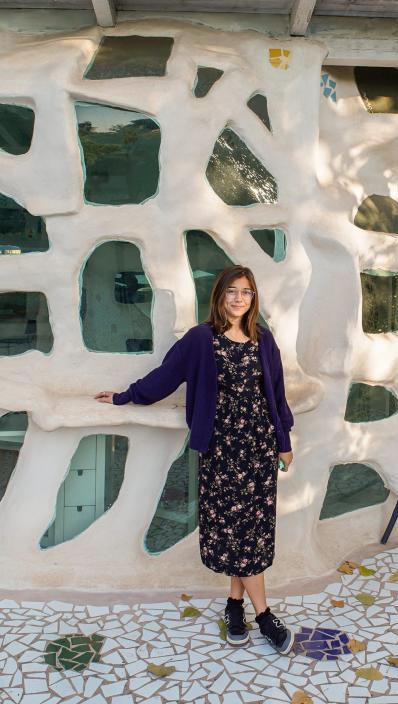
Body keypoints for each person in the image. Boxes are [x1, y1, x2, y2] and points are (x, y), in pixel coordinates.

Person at [95, 265, 296, 654]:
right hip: (222, 451)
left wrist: (283, 441)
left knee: (250, 533)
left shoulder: (263, 341)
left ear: (254, 299)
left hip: (258, 450)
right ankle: (265, 616)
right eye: (232, 291)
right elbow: (165, 376)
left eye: (246, 292)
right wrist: (124, 396)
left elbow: (276, 394)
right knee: (237, 533)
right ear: (219, 295)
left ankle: (235, 606)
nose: (239, 299)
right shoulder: (201, 339)